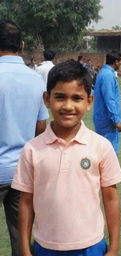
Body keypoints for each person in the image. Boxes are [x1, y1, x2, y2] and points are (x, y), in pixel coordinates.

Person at [11, 60, 121, 256]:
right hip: (45, 246)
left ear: (89, 101)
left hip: (91, 246)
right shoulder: (32, 149)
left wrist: (113, 248)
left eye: (77, 98)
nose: (68, 106)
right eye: (60, 97)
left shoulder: (101, 146)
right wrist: (24, 249)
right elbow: (26, 202)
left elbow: (111, 199)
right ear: (47, 99)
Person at [0, 19, 48, 256]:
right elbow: (41, 126)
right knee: (21, 239)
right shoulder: (35, 78)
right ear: (21, 44)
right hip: (22, 170)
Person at [93, 51, 121, 155]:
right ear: (116, 62)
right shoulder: (108, 75)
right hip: (108, 121)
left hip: (103, 118)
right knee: (109, 154)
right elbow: (109, 99)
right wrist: (116, 120)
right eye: (120, 62)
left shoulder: (104, 73)